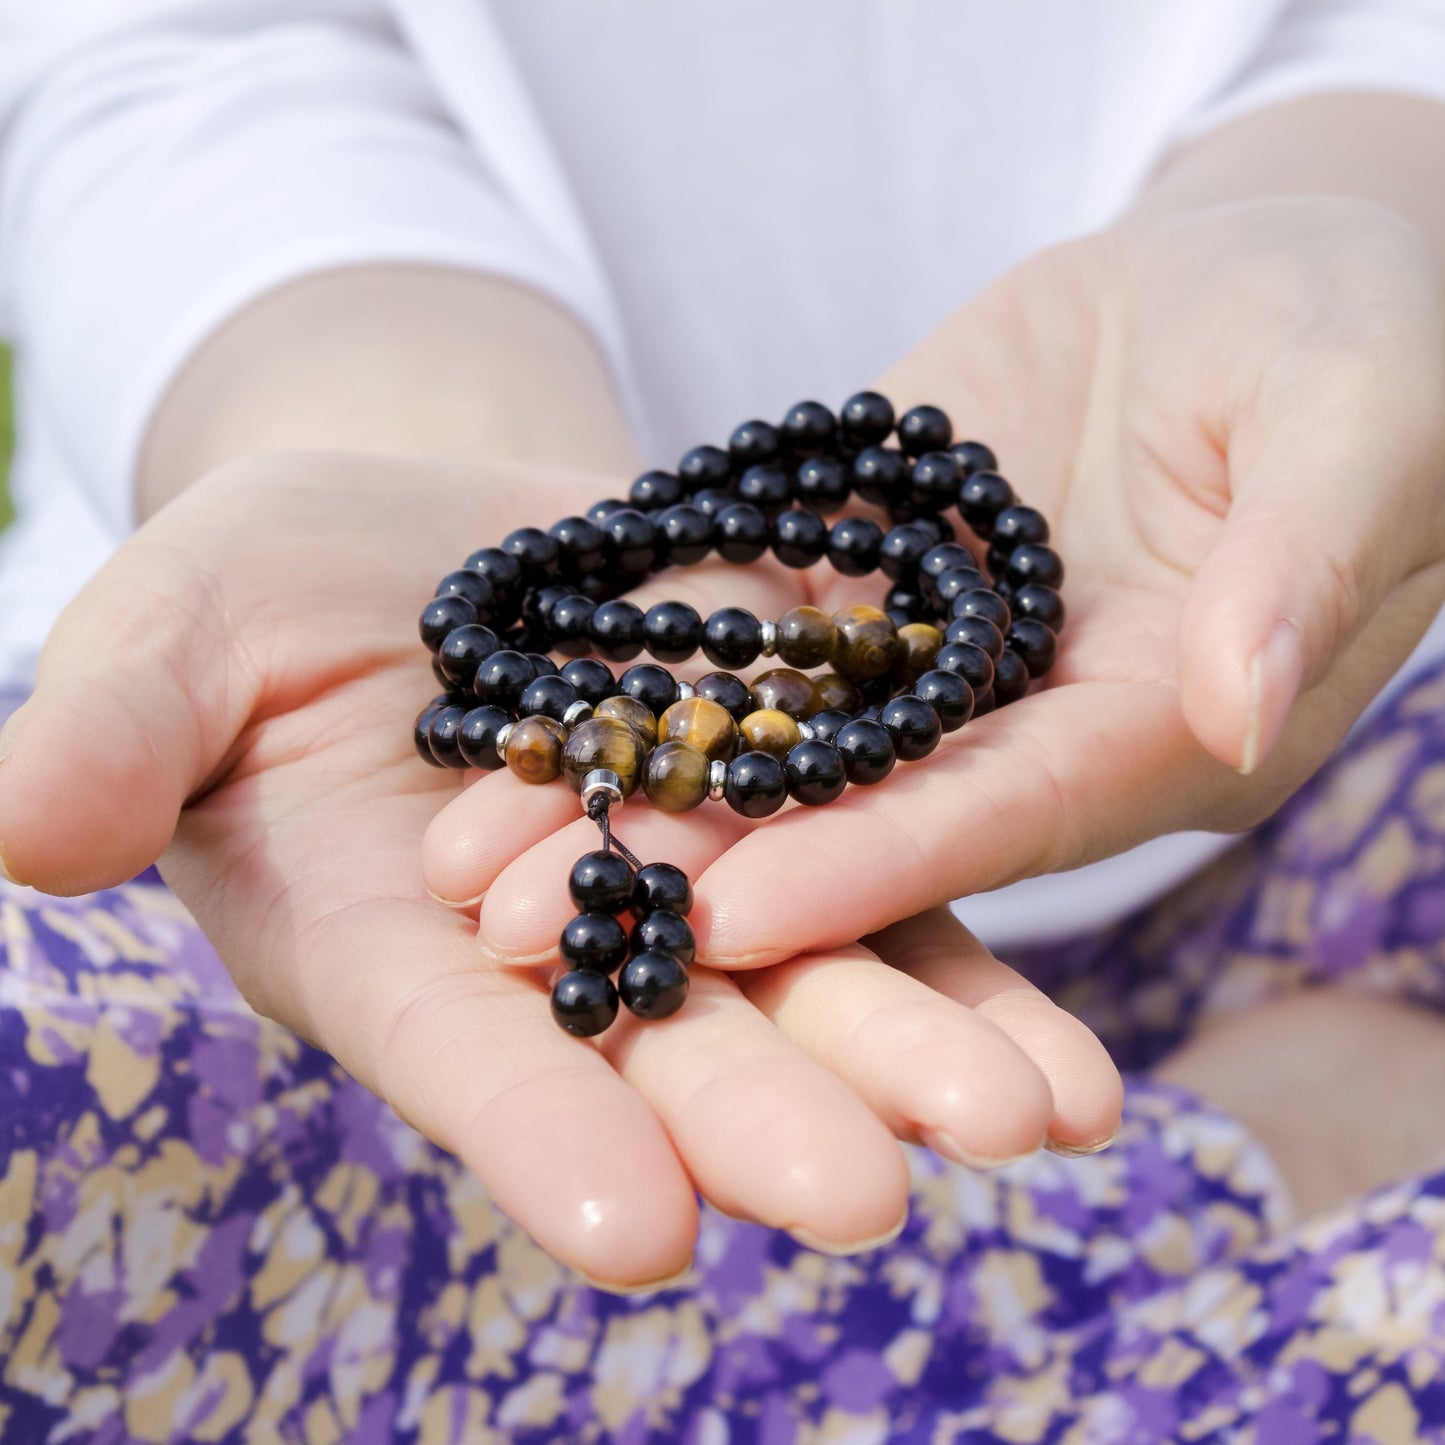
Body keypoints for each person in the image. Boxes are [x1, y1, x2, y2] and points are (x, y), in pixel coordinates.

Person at [1, 3, 1445, 1439]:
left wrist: (1344, 209)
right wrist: (401, 419)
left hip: (1312, 742)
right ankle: (1211, 1189)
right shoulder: (544, 702)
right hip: (280, 797)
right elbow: (173, 50)